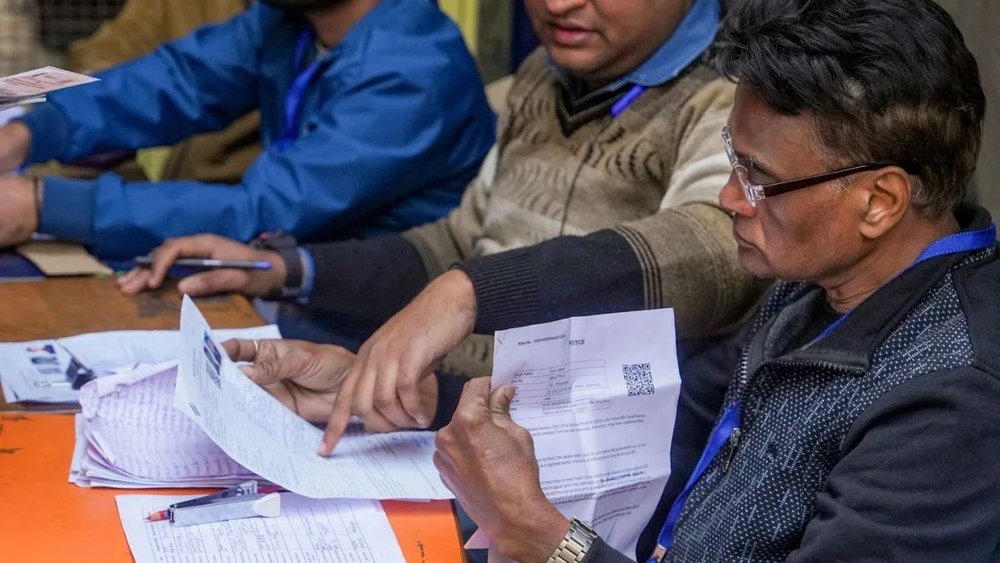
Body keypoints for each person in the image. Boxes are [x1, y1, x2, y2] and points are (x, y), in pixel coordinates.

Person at [220, 0, 1000, 559]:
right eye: (734, 163)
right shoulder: (818, 283)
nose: (730, 199)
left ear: (879, 201)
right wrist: (418, 399)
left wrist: (542, 537)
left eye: (758, 179)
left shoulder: (952, 399)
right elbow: (647, 436)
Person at [120, 0, 768, 446]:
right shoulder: (542, 77)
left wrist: (470, 291)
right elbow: (458, 241)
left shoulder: (735, 96)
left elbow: (713, 250)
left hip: (579, 453)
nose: (559, 5)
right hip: (455, 412)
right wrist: (288, 268)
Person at [0, 0, 495, 258]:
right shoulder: (286, 23)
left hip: (368, 320)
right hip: (282, 275)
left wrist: (41, 205)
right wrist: (31, 130)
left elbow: (264, 210)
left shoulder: (415, 71)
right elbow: (178, 80)